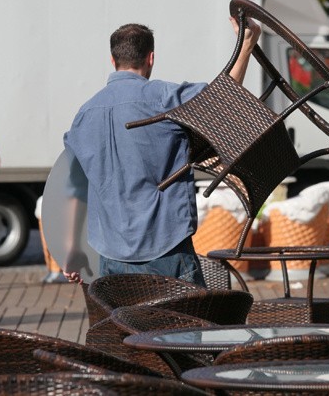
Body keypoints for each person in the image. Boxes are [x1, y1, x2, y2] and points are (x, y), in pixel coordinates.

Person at [62, 17, 260, 285]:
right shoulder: (164, 98)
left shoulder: (84, 115)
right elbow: (223, 102)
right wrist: (246, 44)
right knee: (183, 325)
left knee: (127, 326)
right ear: (151, 58)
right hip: (166, 250)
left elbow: (75, 187)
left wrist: (71, 249)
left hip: (111, 257)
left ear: (113, 61)